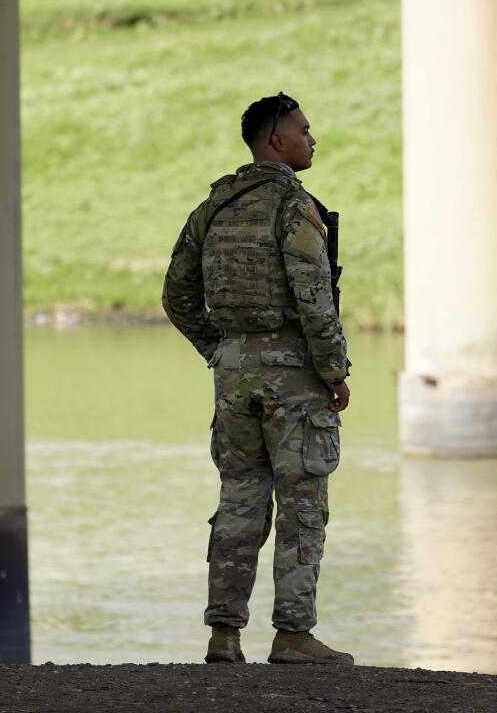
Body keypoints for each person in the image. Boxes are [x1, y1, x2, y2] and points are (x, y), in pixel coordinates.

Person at [162, 92, 353, 665]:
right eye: (304, 130)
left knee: (239, 500)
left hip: (234, 379)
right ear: (277, 141)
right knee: (302, 505)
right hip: (293, 380)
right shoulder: (294, 208)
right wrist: (335, 371)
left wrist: (221, 351)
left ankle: (224, 635)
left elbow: (176, 296)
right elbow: (315, 299)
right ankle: (293, 635)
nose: (312, 139)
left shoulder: (213, 207)